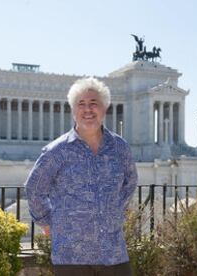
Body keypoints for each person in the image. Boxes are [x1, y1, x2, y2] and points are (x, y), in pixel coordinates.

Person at [25, 77, 137, 276]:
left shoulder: (120, 148)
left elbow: (130, 180)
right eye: (81, 104)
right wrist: (48, 221)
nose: (88, 109)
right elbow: (34, 189)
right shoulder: (56, 151)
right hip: (71, 256)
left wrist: (116, 211)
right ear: (73, 110)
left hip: (113, 253)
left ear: (104, 108)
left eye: (94, 103)